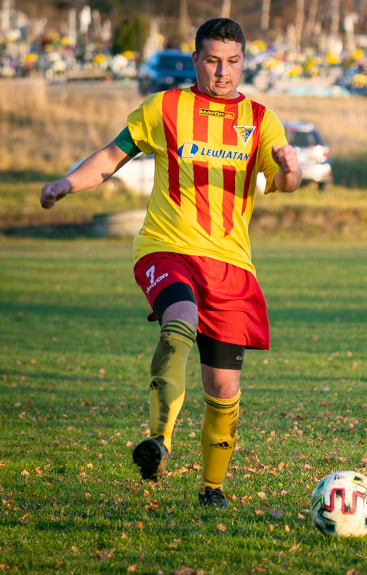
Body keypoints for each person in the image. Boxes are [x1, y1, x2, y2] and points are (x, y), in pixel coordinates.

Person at [40, 18, 301, 507]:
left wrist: (290, 169)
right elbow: (111, 156)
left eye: (232, 62)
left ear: (243, 62)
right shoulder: (165, 108)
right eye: (211, 60)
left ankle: (212, 489)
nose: (222, 72)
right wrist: (65, 184)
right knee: (178, 320)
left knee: (223, 389)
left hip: (231, 263)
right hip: (167, 246)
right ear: (195, 60)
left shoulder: (262, 120)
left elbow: (283, 184)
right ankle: (159, 441)